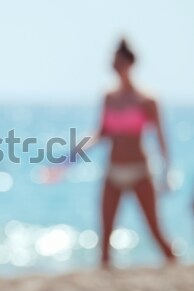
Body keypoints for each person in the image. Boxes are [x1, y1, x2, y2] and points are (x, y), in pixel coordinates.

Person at [94, 39, 175, 266]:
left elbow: (160, 138)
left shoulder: (147, 99)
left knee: (155, 231)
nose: (117, 67)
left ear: (130, 63)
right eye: (114, 63)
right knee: (105, 238)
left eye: (120, 62)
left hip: (140, 169)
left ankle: (179, 266)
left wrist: (167, 172)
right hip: (113, 170)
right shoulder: (108, 97)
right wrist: (70, 155)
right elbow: (101, 132)